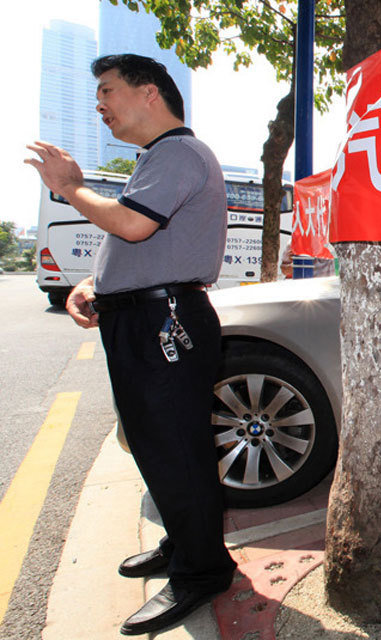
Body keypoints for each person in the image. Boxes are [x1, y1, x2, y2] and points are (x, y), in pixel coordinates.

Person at [25, 54, 236, 636]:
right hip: (142, 318)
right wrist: (95, 287)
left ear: (149, 94)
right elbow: (136, 242)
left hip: (165, 321)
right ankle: (183, 543)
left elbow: (134, 225)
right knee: (153, 442)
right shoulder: (157, 159)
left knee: (177, 446)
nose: (99, 103)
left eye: (107, 90)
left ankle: (203, 572)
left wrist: (70, 187)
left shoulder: (179, 153)